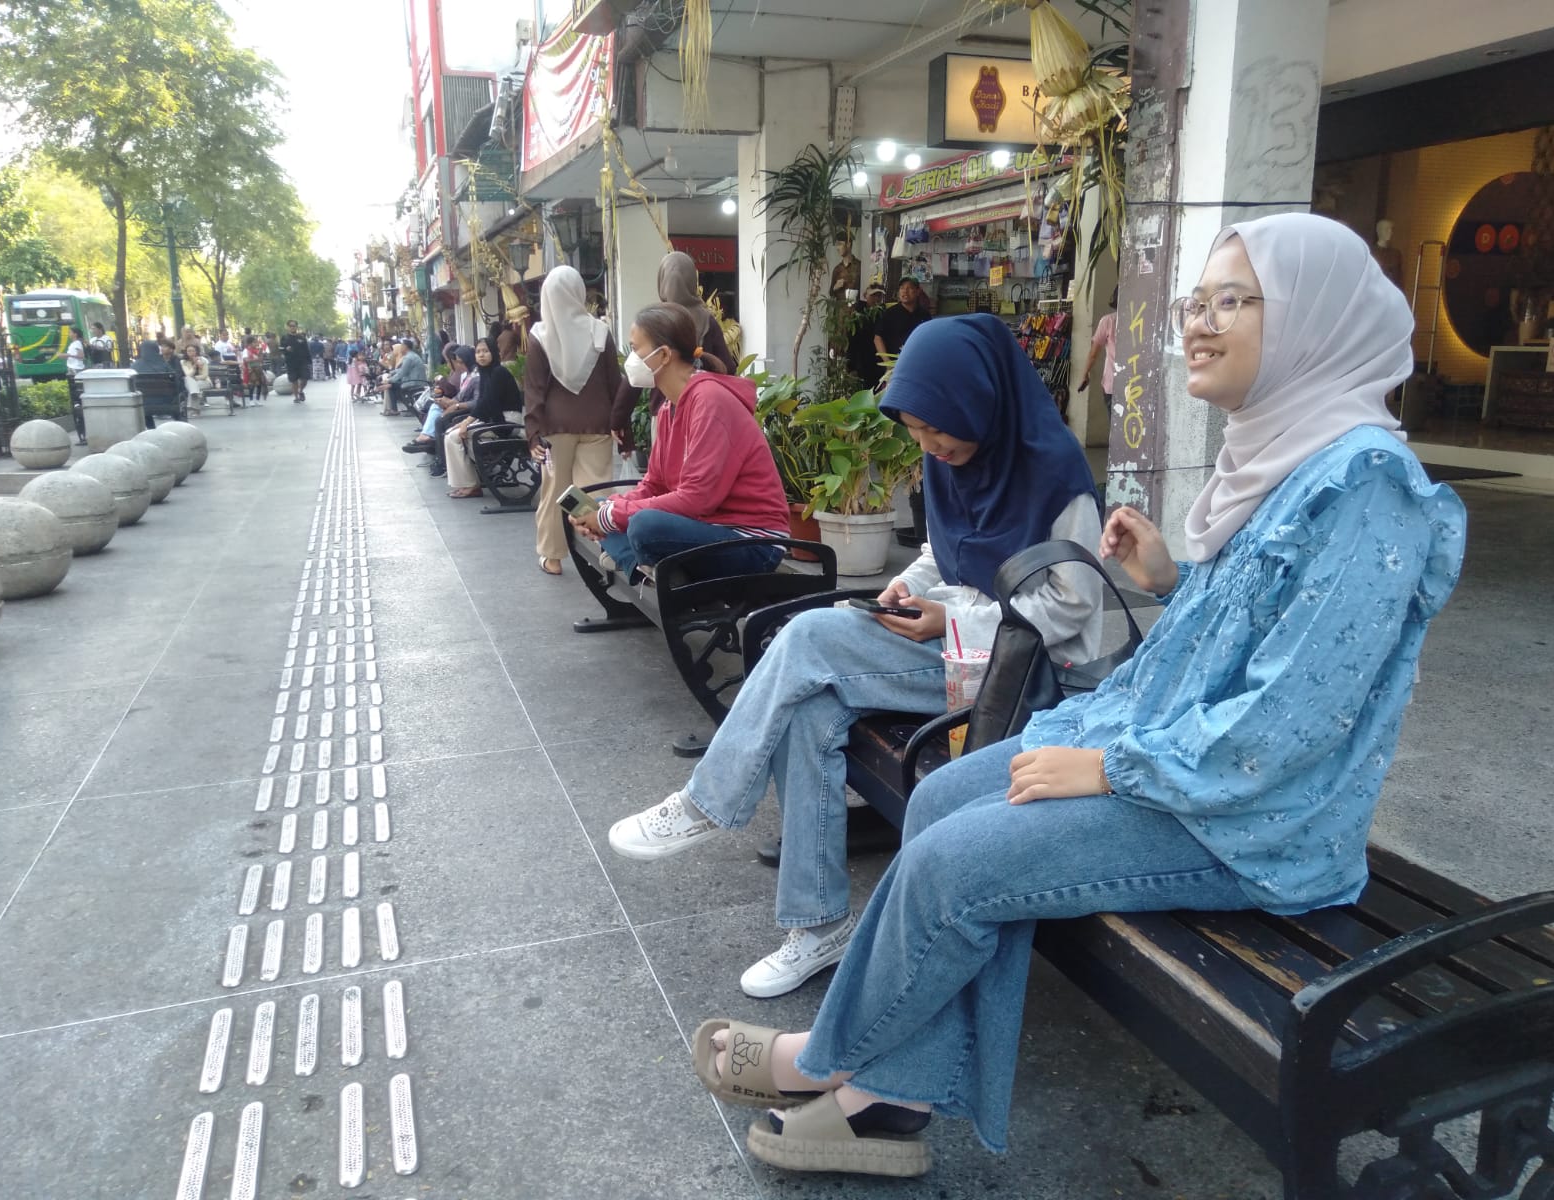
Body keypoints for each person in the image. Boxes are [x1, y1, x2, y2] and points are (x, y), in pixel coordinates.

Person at [688, 212, 1468, 1177]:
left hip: (1251, 819)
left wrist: (1106, 767)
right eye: (1196, 301)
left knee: (959, 867)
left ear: (1314, 320)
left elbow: (1293, 720)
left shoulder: (1366, 486)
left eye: (1232, 301)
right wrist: (1173, 581)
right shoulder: (1287, 455)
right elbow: (1272, 630)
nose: (1200, 324)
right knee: (938, 798)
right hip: (1175, 758)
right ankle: (893, 1095)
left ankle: (834, 1065)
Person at [607, 313, 1106, 996]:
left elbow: (1074, 605)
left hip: (1022, 673)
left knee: (809, 637)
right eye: (916, 432)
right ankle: (818, 927)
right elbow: (942, 553)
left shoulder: (1055, 473)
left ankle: (707, 800)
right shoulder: (952, 460)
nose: (929, 445)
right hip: (953, 651)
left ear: (980, 401)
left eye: (937, 428)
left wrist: (952, 618)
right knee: (811, 708)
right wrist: (908, 588)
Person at [572, 302, 785, 582]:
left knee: (643, 526)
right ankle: (648, 570)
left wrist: (611, 517)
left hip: (751, 541)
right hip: (706, 527)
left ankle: (644, 566)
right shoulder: (668, 408)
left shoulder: (710, 401)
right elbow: (654, 485)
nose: (630, 360)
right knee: (598, 505)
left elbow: (697, 499)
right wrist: (606, 510)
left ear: (663, 355)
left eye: (635, 349)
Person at [525, 265, 621, 576]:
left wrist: (533, 433)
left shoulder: (540, 335)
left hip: (555, 429)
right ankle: (603, 552)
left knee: (556, 492)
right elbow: (614, 383)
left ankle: (552, 557)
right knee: (594, 490)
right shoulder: (600, 331)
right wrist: (622, 426)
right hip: (598, 424)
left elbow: (534, 390)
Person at [609, 251, 736, 444]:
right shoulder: (707, 320)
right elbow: (728, 368)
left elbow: (635, 374)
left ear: (661, 281)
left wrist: (618, 420)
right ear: (693, 281)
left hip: (663, 414)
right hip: (701, 413)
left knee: (665, 462)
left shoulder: (655, 322)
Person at [444, 336, 523, 498]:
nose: (481, 355)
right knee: (450, 433)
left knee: (454, 437)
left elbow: (487, 402)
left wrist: (466, 423)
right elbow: (482, 403)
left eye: (485, 351)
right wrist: (465, 423)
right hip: (494, 419)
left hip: (507, 422)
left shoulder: (499, 372)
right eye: (478, 351)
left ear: (493, 352)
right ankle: (469, 481)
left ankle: (471, 484)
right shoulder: (485, 373)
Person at [1077, 288, 1119, 407]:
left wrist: (1085, 375)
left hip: (1112, 384)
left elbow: (1093, 354)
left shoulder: (1108, 321)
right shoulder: (1139, 320)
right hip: (1135, 384)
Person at [873, 276, 929, 362]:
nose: (905, 291)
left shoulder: (924, 315)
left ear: (918, 291)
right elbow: (878, 338)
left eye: (909, 288)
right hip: (894, 363)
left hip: (917, 361)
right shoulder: (890, 313)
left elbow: (928, 340)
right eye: (902, 288)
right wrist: (887, 361)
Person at [845, 284, 886, 391]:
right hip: (861, 362)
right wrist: (851, 366)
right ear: (865, 296)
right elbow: (852, 341)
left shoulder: (884, 314)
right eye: (873, 295)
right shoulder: (857, 314)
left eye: (879, 296)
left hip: (879, 363)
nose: (876, 299)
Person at [383, 338, 427, 416]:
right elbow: (402, 369)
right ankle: (404, 408)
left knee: (392, 386)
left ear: (405, 347)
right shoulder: (411, 356)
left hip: (414, 382)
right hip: (416, 380)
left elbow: (402, 373)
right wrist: (392, 373)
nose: (400, 348)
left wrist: (390, 380)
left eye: (402, 346)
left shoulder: (409, 358)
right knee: (393, 385)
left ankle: (397, 409)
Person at [280, 321, 310, 403]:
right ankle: (296, 397)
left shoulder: (301, 337)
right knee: (294, 380)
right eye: (290, 326)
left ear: (297, 327)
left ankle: (301, 391)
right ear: (288, 327)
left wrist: (309, 361)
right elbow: (280, 348)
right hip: (291, 362)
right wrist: (286, 349)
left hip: (302, 362)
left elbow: (306, 349)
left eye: (294, 326)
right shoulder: (284, 337)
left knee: (305, 378)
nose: (292, 327)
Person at [181, 342, 211, 414]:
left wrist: (195, 378)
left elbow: (205, 375)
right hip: (189, 381)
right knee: (188, 379)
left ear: (197, 352)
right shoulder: (183, 362)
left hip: (204, 382)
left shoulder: (203, 360)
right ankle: (196, 405)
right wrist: (194, 366)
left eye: (193, 351)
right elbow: (188, 374)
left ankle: (193, 407)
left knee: (192, 386)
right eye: (189, 351)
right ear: (186, 352)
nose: (191, 353)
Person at [241, 334, 267, 405]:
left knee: (259, 384)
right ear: (250, 343)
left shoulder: (257, 350)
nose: (256, 344)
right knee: (252, 384)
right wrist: (256, 359)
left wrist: (261, 355)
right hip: (250, 370)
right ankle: (251, 400)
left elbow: (261, 360)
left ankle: (257, 399)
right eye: (254, 342)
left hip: (258, 369)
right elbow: (246, 360)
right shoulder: (246, 351)